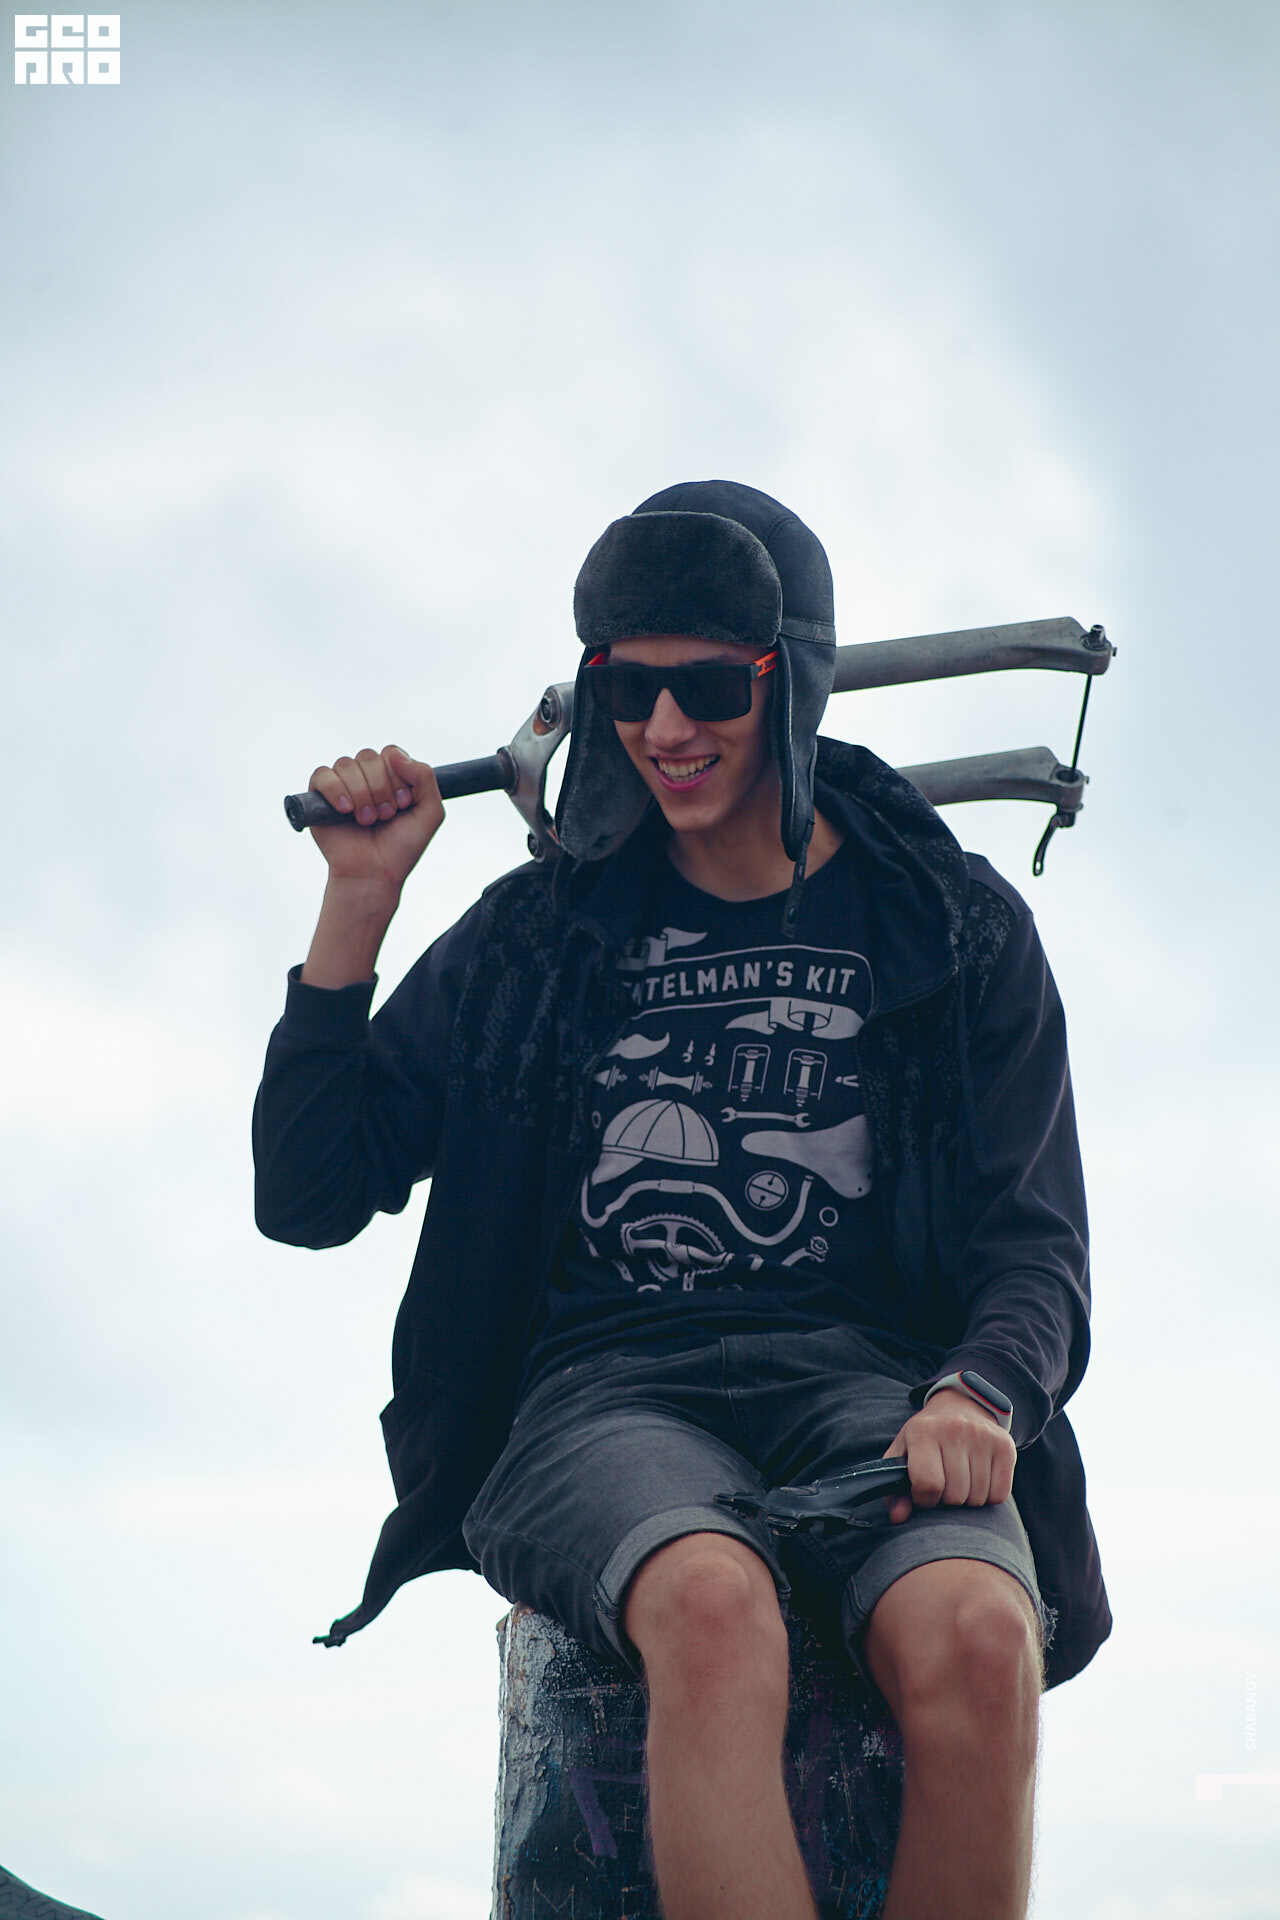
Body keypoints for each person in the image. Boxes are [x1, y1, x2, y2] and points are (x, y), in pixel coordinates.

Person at [253, 479, 1110, 1920]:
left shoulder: (950, 925)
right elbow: (309, 1190)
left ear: (795, 680)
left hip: (874, 1389)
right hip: (603, 1398)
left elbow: (1036, 1243)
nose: (663, 728)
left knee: (977, 1634)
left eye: (710, 686)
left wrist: (980, 1393)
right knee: (713, 1609)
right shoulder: (537, 937)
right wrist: (360, 902)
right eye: (627, 688)